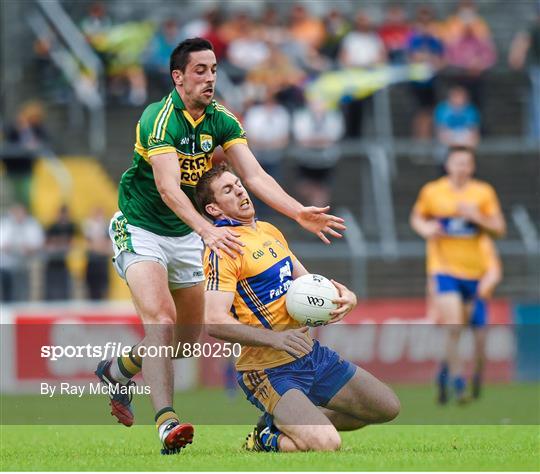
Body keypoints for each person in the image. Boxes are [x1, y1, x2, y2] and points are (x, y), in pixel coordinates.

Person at [95, 38, 345, 455]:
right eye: (200, 70)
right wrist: (207, 231)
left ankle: (119, 369)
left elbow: (256, 175)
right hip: (141, 229)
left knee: (188, 341)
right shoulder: (159, 119)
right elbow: (168, 188)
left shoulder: (221, 119)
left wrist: (298, 211)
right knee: (161, 317)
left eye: (213, 69)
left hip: (189, 233)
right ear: (178, 76)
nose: (210, 77)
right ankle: (166, 423)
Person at [196, 165, 400, 452]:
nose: (240, 190)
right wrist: (275, 339)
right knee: (328, 444)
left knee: (385, 407)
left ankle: (281, 423)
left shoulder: (269, 231)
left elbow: (307, 283)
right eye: (228, 190)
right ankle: (266, 438)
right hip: (268, 369)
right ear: (214, 209)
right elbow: (214, 321)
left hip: (310, 355)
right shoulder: (223, 248)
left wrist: (345, 297)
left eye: (238, 183)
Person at [410, 146, 505, 404]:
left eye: (466, 163)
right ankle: (458, 383)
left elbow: (499, 229)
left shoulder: (483, 193)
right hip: (444, 269)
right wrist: (427, 228)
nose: (461, 167)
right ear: (448, 165)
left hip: (474, 273)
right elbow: (417, 218)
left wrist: (476, 216)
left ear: (472, 167)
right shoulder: (433, 191)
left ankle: (445, 374)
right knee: (453, 327)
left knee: (472, 336)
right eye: (457, 162)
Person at [426, 233, 502, 402]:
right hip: (455, 295)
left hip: (477, 298)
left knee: (480, 345)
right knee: (454, 334)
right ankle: (457, 384)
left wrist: (482, 288)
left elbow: (494, 271)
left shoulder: (482, 241)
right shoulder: (441, 241)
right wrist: (433, 306)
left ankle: (469, 380)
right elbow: (434, 275)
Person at [0, 204, 44, 302]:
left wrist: (29, 248)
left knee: (24, 291)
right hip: (6, 265)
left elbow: (38, 242)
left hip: (25, 265)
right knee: (7, 292)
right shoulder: (5, 224)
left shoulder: (31, 224)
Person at [508, 7, 540, 141]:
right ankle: (536, 136)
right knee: (536, 103)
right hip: (536, 69)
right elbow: (521, 42)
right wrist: (516, 57)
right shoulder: (533, 28)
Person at [44, 205, 76, 301]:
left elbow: (73, 244)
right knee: (50, 290)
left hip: (66, 264)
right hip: (52, 264)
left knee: (65, 291)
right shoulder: (51, 227)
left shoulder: (71, 227)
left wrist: (58, 243)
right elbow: (48, 246)